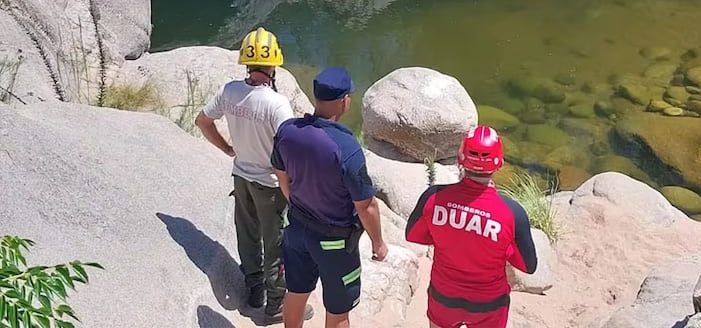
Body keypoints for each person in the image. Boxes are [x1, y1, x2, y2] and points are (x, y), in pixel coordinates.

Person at [194, 27, 313, 324]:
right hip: (271, 186)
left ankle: (254, 291)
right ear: (273, 65)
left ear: (246, 62)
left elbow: (202, 121)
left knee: (247, 237)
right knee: (277, 244)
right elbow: (291, 149)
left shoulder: (230, 91)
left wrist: (227, 149)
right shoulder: (276, 104)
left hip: (242, 178)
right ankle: (275, 306)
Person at [270, 67, 388, 328]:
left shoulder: (288, 130)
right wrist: (378, 243)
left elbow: (281, 176)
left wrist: (298, 204)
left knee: (296, 292)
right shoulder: (346, 148)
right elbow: (366, 205)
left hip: (297, 230)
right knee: (338, 310)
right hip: (335, 244)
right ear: (345, 101)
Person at [405, 125, 538, 328]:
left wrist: (449, 235)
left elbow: (413, 235)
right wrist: (503, 247)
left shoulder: (433, 197)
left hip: (443, 297)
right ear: (499, 162)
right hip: (488, 305)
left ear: (461, 159)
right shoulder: (512, 213)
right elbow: (528, 266)